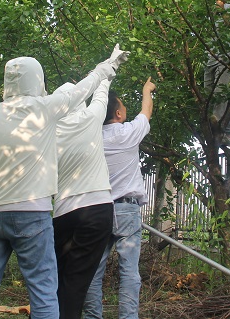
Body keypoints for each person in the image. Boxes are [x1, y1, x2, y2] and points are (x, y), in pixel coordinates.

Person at [0, 45, 129, 319]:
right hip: (30, 212)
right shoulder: (44, 109)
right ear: (37, 80)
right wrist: (108, 66)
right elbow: (85, 88)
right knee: (43, 289)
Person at [83, 77, 157, 319]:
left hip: (98, 210)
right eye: (123, 105)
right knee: (129, 272)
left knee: (93, 271)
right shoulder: (128, 133)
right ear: (118, 113)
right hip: (126, 210)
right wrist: (147, 90)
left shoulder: (91, 138)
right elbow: (146, 111)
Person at [52, 80, 114, 319]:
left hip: (63, 212)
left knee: (54, 277)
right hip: (96, 209)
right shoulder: (91, 118)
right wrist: (103, 74)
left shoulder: (50, 132)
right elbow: (101, 94)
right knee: (77, 282)